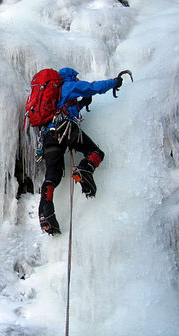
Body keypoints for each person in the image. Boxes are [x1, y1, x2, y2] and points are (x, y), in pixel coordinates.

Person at [38, 67, 122, 235]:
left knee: (52, 177)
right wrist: (115, 82)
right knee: (95, 153)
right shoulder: (68, 86)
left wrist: (82, 103)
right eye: (75, 77)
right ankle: (84, 169)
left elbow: (65, 107)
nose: (77, 79)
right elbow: (93, 87)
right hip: (66, 130)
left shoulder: (54, 95)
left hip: (49, 137)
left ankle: (45, 215)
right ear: (69, 77)